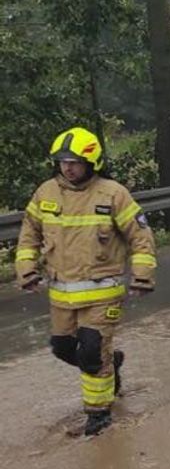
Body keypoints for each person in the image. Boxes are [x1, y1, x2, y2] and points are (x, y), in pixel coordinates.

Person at [15, 127, 157, 436]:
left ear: (91, 162)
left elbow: (141, 237)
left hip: (103, 294)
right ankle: (112, 364)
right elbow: (29, 236)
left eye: (75, 161)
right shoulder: (45, 193)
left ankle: (98, 416)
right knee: (64, 349)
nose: (68, 167)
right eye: (63, 161)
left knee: (91, 353)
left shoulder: (113, 194)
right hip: (61, 297)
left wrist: (142, 276)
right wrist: (26, 270)